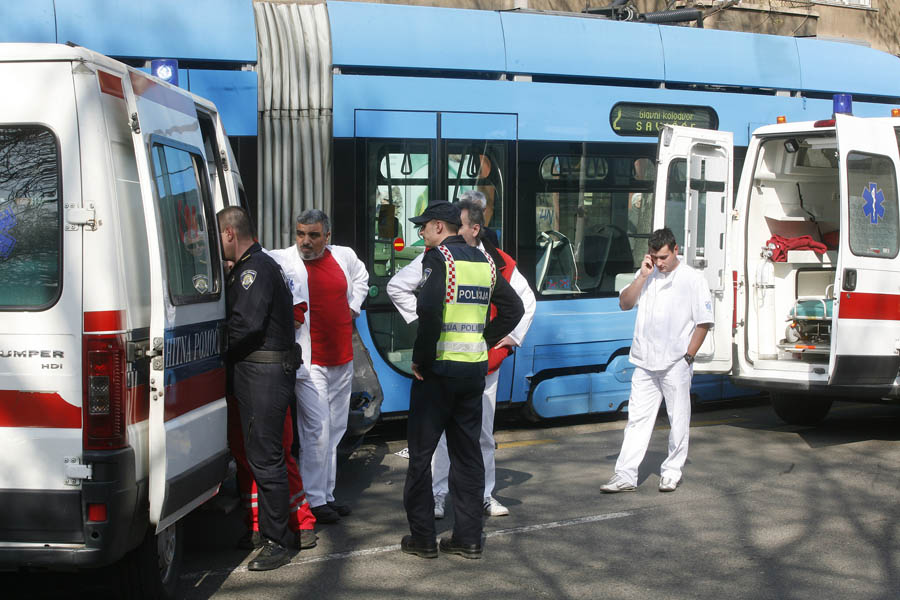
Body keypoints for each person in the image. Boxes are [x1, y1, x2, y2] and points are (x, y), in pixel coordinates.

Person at [387, 192, 536, 519]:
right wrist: (426, 325)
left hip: (481, 364)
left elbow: (525, 303)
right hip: (449, 362)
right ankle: (439, 494)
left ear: (475, 229)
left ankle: (483, 494)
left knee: (481, 435)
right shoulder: (436, 255)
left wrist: (500, 340)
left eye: (462, 225)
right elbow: (398, 287)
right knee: (445, 437)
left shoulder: (499, 262)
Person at [267, 209, 369, 524]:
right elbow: (256, 264)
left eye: (313, 235)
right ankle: (313, 499)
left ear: (327, 236)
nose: (305, 241)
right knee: (317, 431)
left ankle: (326, 494)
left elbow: (362, 277)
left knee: (335, 430)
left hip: (342, 360)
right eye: (300, 234)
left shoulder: (343, 256)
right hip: (310, 364)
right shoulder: (282, 260)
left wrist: (353, 307)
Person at [600, 227, 713, 494]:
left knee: (678, 419)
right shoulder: (646, 275)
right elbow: (625, 303)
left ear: (676, 250)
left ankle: (672, 471)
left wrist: (688, 357)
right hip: (644, 361)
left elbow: (704, 322)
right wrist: (642, 276)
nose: (659, 262)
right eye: (655, 257)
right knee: (637, 419)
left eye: (664, 257)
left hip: (675, 362)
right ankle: (625, 475)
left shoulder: (692, 279)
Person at [218, 206, 300, 571]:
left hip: (264, 374)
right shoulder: (253, 266)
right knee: (259, 456)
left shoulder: (254, 270)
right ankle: (268, 531)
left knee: (266, 459)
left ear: (230, 234)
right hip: (260, 372)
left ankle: (276, 541)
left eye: (218, 237)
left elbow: (245, 325)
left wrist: (213, 347)